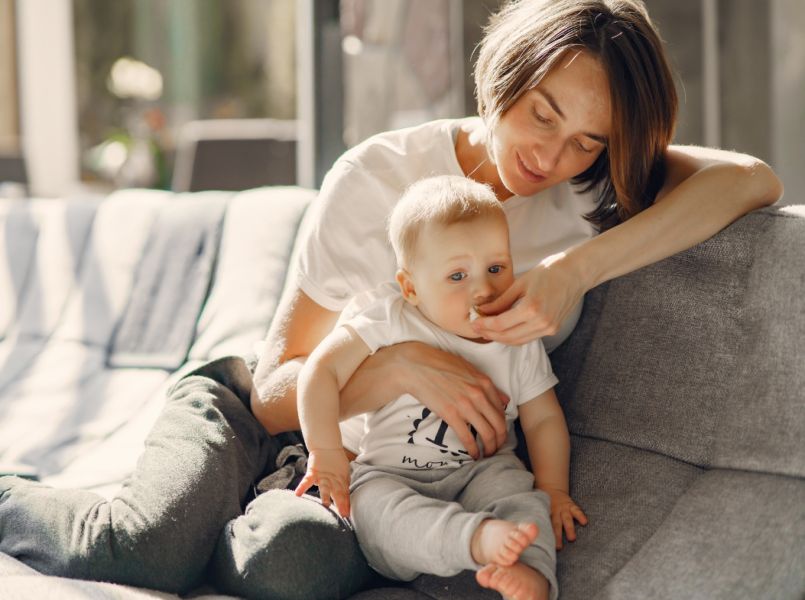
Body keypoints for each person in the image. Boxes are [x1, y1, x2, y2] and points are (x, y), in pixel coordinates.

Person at [0, 1, 783, 598]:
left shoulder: (589, 188)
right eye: (542, 112)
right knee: (140, 548)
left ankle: (234, 532)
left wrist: (573, 269)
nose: (553, 153)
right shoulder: (380, 175)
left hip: (385, 470)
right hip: (260, 412)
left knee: (293, 563)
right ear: (503, 71)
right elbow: (277, 394)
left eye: (589, 139)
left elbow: (750, 179)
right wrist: (405, 367)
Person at [295, 175, 582, 600]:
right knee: (375, 513)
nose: (483, 288)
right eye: (457, 275)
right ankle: (473, 541)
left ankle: (532, 576)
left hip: (484, 471)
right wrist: (327, 452)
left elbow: (543, 418)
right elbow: (319, 372)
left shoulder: (516, 336)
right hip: (391, 475)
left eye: (496, 268)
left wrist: (554, 489)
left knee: (526, 503)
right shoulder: (390, 318)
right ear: (410, 287)